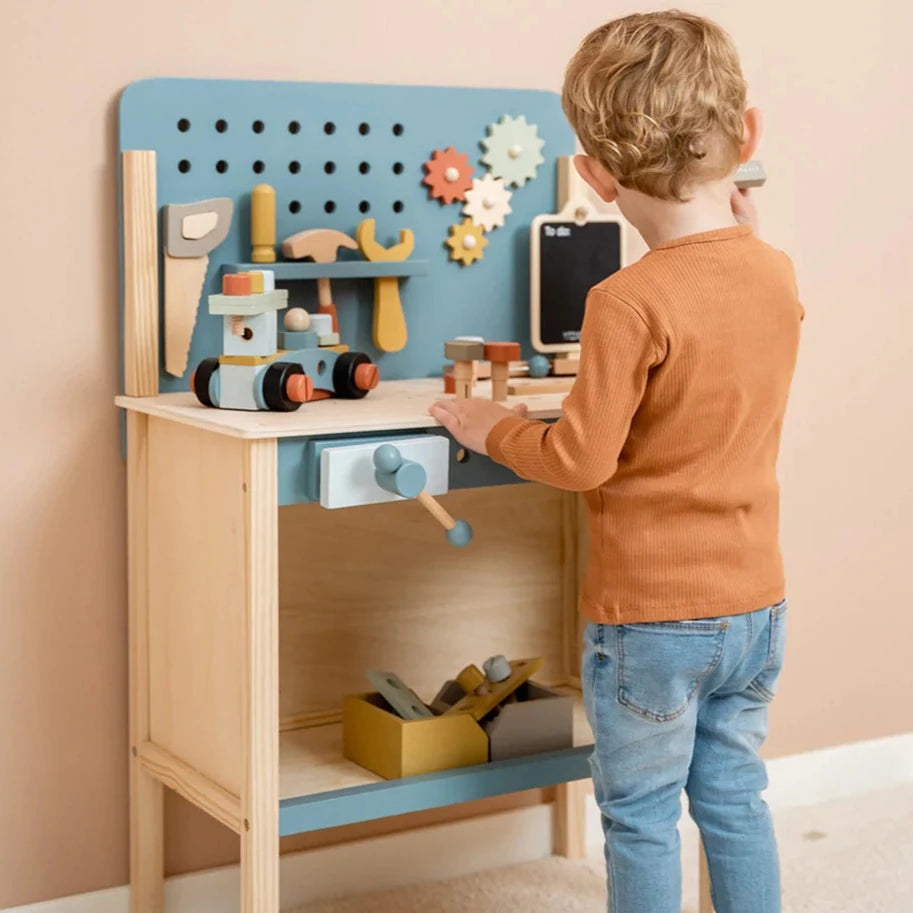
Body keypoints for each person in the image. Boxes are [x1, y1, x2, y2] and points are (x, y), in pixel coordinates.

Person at [430, 11, 803, 913]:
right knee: (732, 795)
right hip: (755, 604)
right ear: (746, 135)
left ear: (593, 178)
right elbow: (731, 326)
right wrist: (744, 233)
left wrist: (490, 428)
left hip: (652, 620)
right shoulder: (775, 270)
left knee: (639, 814)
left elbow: (578, 458)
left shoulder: (625, 300)